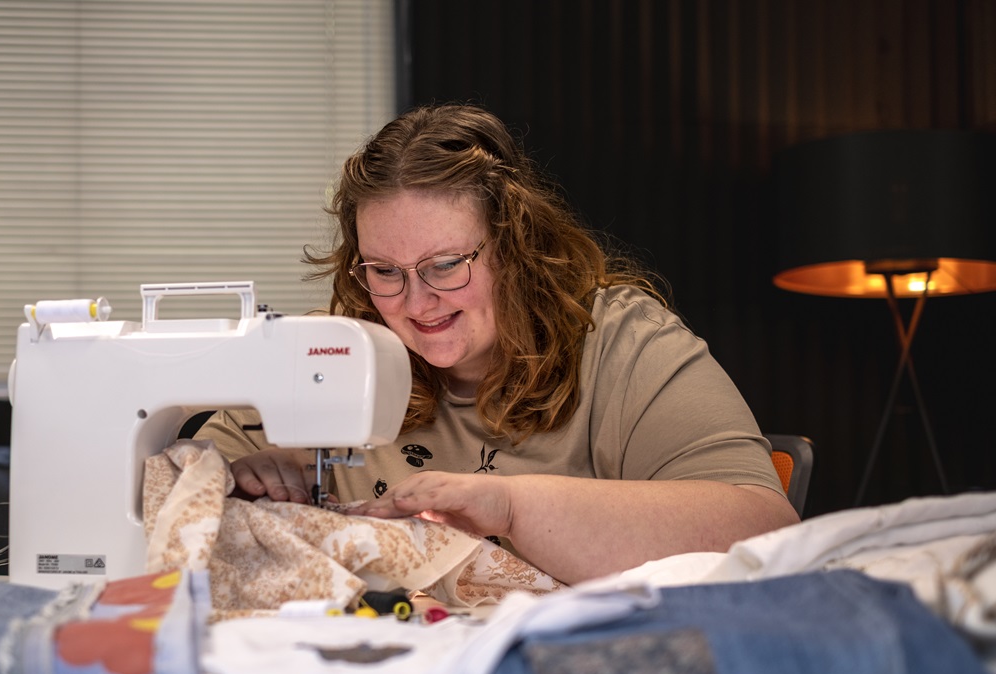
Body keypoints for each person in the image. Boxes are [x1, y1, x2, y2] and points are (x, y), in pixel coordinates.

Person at [197, 103, 798, 586]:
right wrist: (244, 475)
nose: (416, 302)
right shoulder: (330, 354)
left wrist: (513, 507)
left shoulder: (623, 345)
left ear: (514, 246)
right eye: (384, 270)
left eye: (446, 264)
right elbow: (172, 497)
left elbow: (765, 534)